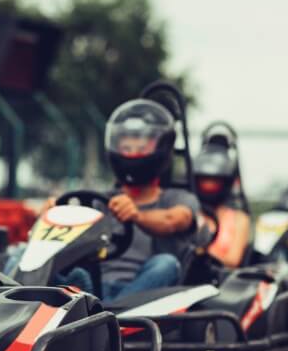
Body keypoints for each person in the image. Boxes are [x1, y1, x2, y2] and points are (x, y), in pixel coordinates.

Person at [97, 98, 201, 301]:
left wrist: (136, 215)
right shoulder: (100, 201)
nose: (134, 153)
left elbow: (174, 220)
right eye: (127, 148)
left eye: (141, 148)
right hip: (94, 285)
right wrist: (55, 212)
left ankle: (108, 316)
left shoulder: (179, 198)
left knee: (166, 264)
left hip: (144, 291)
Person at [193, 131, 251, 267]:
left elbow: (233, 261)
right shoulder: (188, 212)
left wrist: (202, 254)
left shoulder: (239, 219)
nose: (209, 186)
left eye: (214, 181)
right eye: (204, 180)